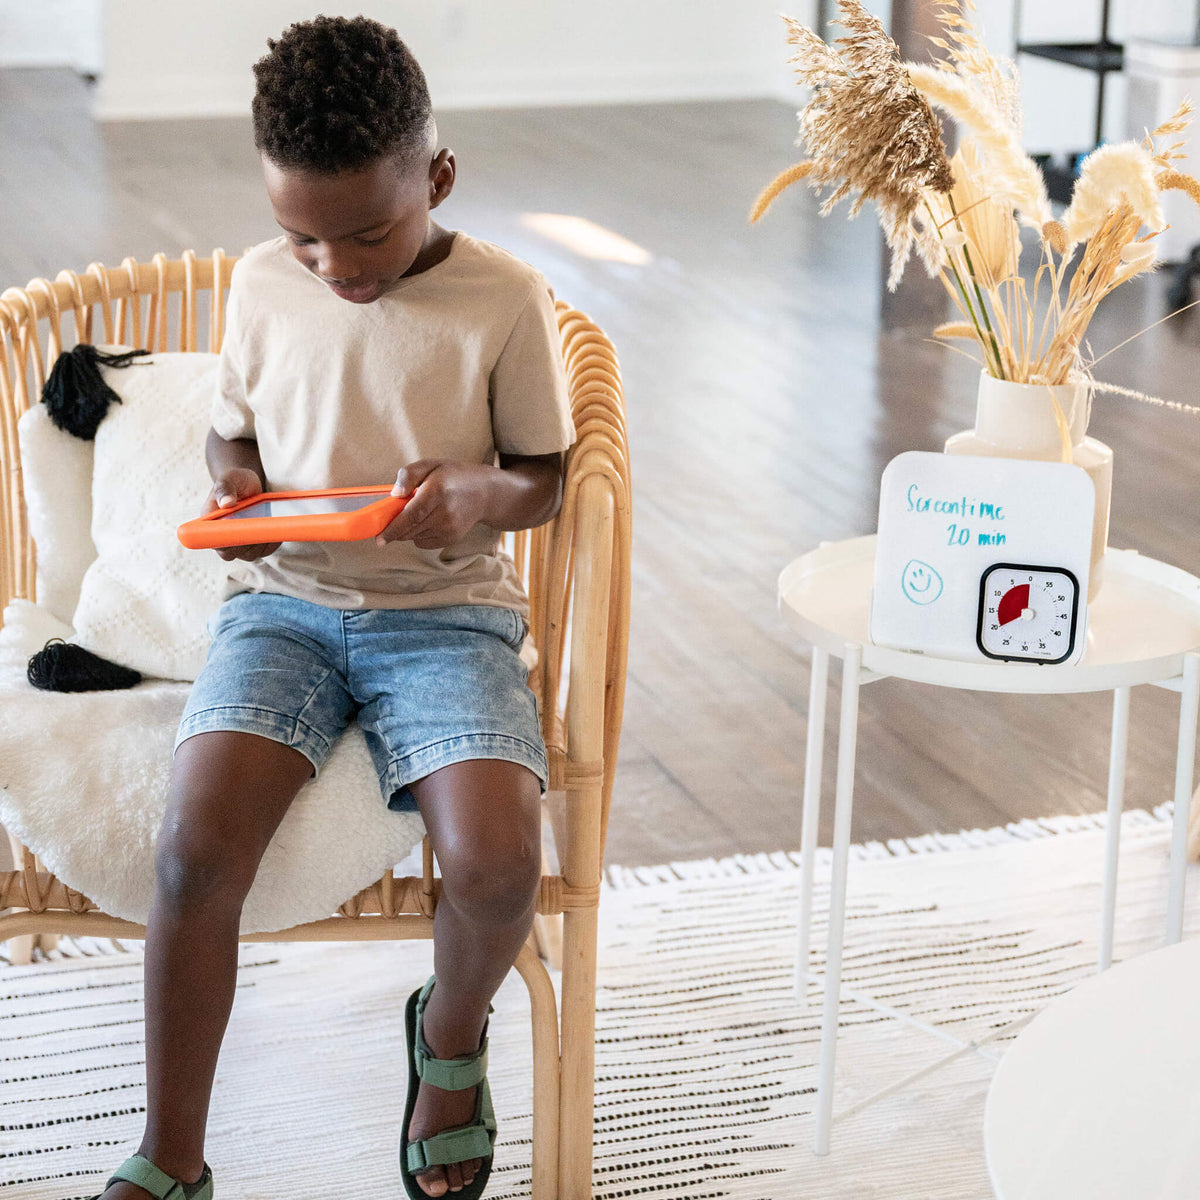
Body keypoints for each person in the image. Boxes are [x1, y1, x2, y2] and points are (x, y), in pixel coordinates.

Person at [89, 15, 574, 1200]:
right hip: (282, 605)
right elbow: (231, 426)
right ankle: (173, 1152)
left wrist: (477, 492)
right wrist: (233, 479)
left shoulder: (505, 300)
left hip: (446, 615)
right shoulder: (263, 284)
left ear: (437, 177)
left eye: (368, 232)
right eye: (301, 235)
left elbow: (548, 481)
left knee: (501, 866)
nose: (337, 268)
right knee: (195, 850)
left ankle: (447, 1041)